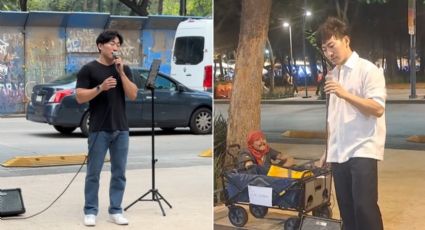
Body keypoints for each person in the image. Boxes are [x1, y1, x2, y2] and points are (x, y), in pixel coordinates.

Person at [318, 17, 386, 230]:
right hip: (339, 152)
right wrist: (327, 151)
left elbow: (377, 108)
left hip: (362, 148)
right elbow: (334, 118)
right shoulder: (332, 75)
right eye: (324, 49)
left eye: (332, 45)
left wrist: (344, 94)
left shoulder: (367, 70)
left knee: (364, 207)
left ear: (346, 40)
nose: (329, 53)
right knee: (346, 209)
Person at [75, 30, 138, 227]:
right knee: (93, 172)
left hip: (121, 128)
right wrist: (100, 88)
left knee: (119, 172)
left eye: (118, 44)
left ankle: (116, 210)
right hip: (98, 129)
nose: (115, 47)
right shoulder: (88, 70)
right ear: (100, 46)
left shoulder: (124, 69)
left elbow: (133, 94)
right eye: (111, 43)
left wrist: (121, 73)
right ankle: (90, 210)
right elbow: (79, 96)